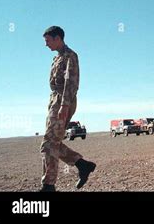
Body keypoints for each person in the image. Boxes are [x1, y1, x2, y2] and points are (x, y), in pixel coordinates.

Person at [40, 26, 96, 192]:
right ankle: (82, 165)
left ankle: (48, 186)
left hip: (63, 100)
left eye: (48, 40)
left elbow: (71, 83)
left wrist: (64, 105)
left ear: (58, 38)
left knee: (48, 144)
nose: (46, 44)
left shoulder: (70, 55)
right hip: (55, 100)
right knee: (52, 143)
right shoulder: (57, 58)